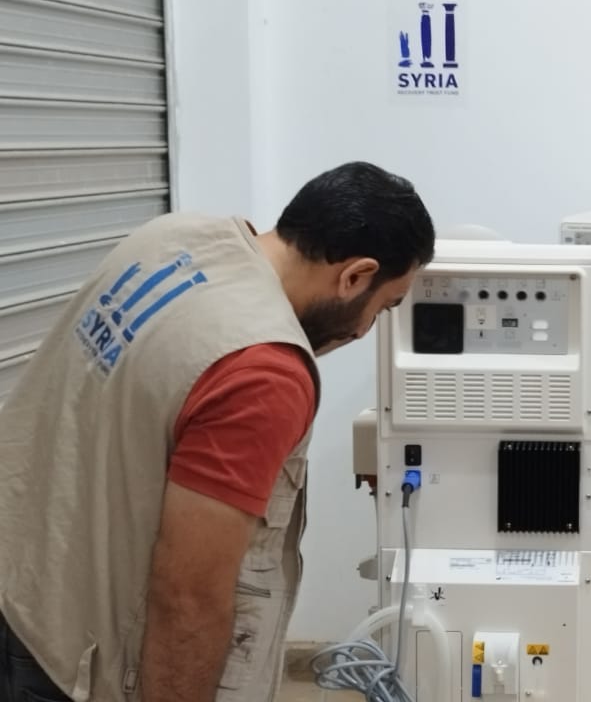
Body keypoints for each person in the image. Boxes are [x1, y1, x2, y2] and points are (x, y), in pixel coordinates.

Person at [0, 161, 435, 702]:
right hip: (72, 666)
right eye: (383, 306)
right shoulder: (263, 374)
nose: (365, 330)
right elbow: (189, 596)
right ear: (354, 277)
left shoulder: (175, 237)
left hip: (23, 588)